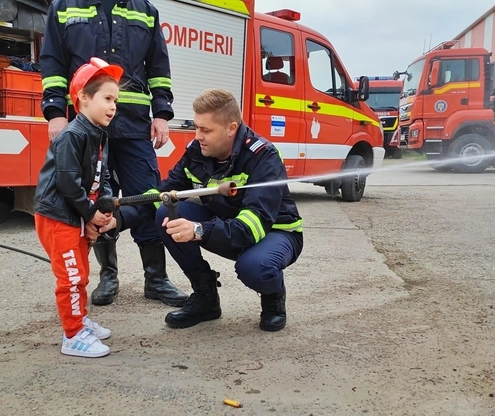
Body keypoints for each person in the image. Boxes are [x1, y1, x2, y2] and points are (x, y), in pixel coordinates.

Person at [99, 88, 304, 332]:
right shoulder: (197, 152)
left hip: (275, 233)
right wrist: (117, 220)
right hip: (229, 227)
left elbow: (253, 226)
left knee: (254, 267)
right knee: (167, 213)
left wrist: (199, 230)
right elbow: (161, 195)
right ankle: (205, 297)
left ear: (231, 128)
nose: (197, 136)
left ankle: (273, 297)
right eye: (196, 127)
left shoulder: (263, 156)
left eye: (205, 130)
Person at [39, 0, 189, 308]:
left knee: (148, 197)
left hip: (135, 125)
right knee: (99, 201)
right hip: (89, 127)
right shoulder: (64, 7)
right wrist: (55, 112)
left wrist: (161, 113)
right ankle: (108, 277)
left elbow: (159, 67)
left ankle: (156, 279)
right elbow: (53, 62)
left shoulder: (145, 10)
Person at [34, 57, 123, 358]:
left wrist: (105, 207)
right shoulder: (73, 135)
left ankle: (79, 320)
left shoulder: (99, 134)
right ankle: (72, 336)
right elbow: (68, 183)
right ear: (83, 98)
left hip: (76, 213)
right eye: (107, 98)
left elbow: (104, 176)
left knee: (81, 272)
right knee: (71, 276)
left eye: (116, 101)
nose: (113, 106)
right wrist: (90, 212)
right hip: (60, 216)